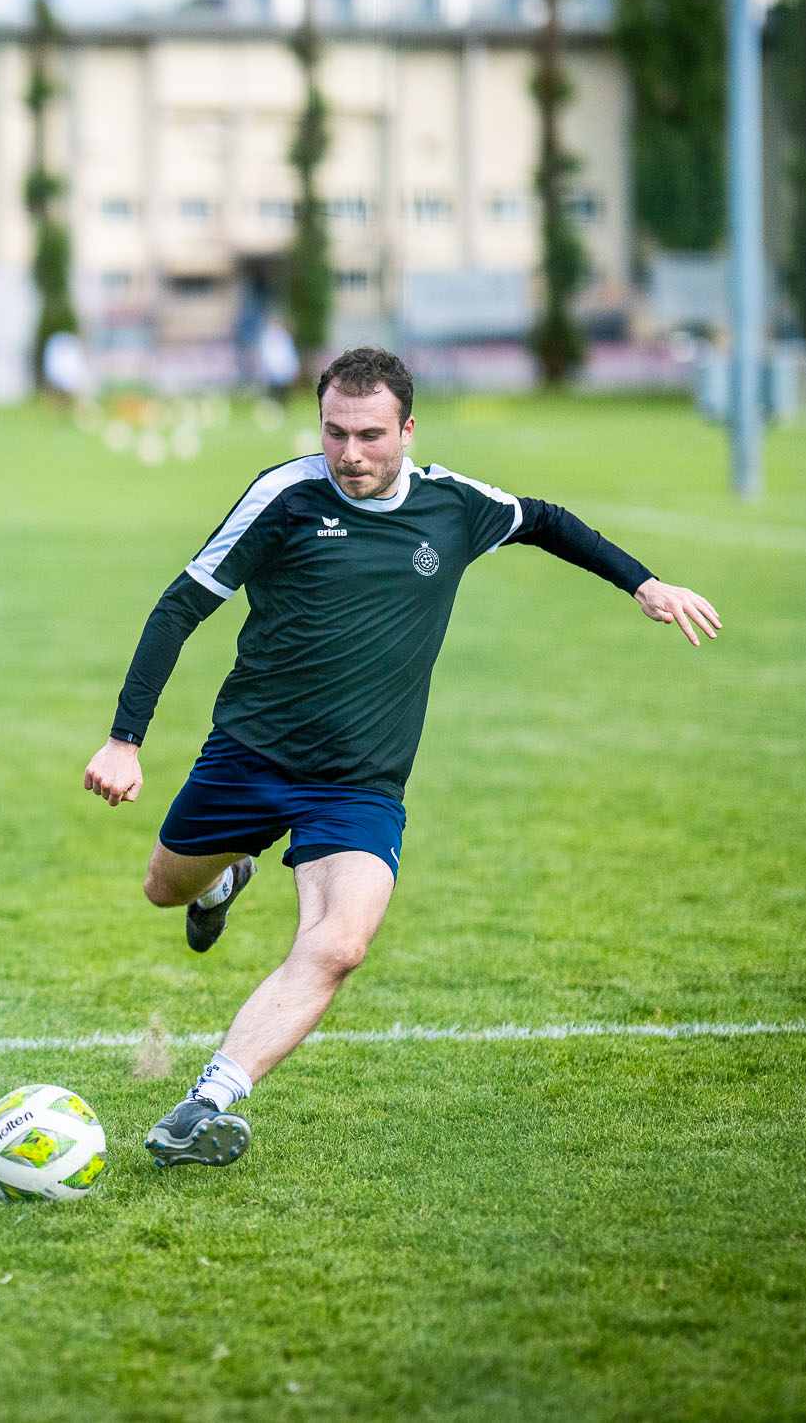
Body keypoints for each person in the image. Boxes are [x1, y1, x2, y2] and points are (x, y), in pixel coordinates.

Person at [82, 347, 724, 1170]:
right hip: (250, 756)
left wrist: (644, 583)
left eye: (371, 435)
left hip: (360, 782)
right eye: (335, 432)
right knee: (162, 888)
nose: (349, 453)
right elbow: (181, 605)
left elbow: (545, 519)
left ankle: (206, 1103)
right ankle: (220, 879)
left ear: (408, 430)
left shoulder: (453, 506)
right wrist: (125, 739)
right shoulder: (286, 497)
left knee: (340, 943)